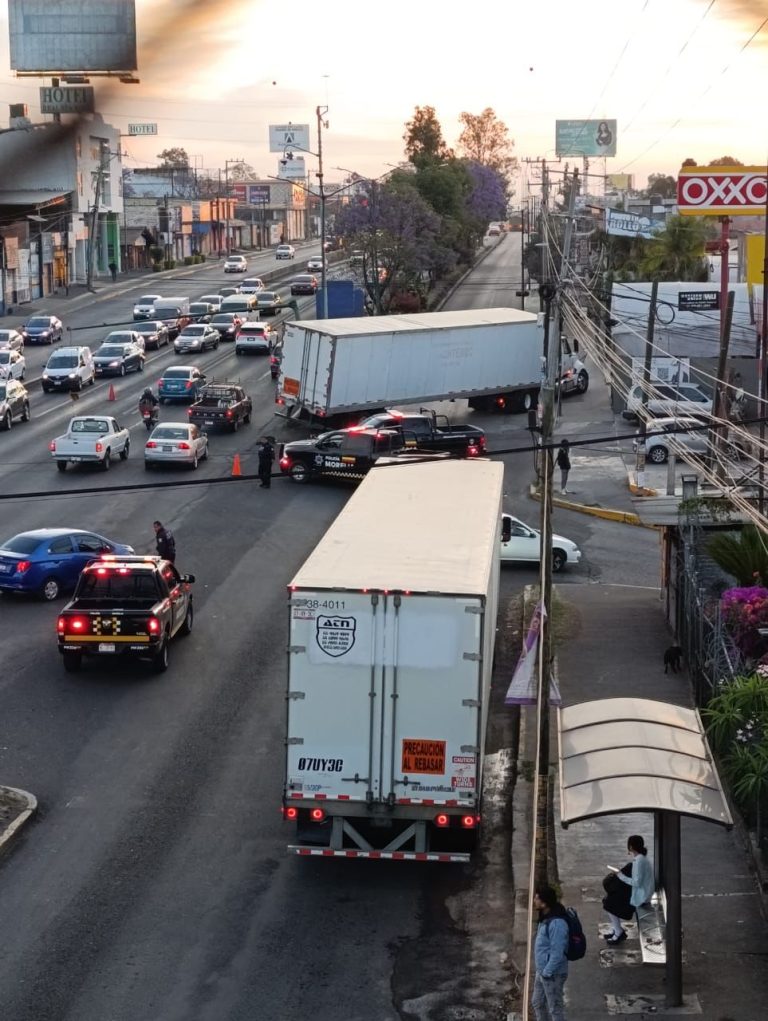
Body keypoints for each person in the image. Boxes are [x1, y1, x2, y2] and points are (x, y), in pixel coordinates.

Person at [603, 835, 655, 944]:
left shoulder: (639, 861)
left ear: (630, 847)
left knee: (609, 903)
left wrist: (620, 874)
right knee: (610, 900)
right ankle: (617, 929)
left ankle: (618, 932)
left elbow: (636, 882)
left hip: (642, 895)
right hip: (642, 891)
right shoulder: (641, 858)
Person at [532, 884, 569, 1021]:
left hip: (552, 974)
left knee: (555, 1009)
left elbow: (558, 953)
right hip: (542, 971)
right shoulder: (547, 917)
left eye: (537, 898)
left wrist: (547, 972)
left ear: (544, 903)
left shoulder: (557, 924)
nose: (534, 901)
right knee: (538, 1002)